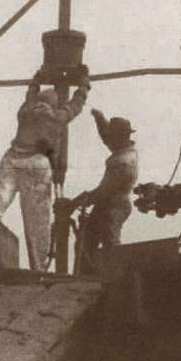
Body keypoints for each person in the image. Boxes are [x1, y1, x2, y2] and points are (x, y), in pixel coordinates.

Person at [0, 69, 91, 271]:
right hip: (36, 163)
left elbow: (30, 94)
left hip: (12, 157)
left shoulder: (25, 111)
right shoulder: (56, 116)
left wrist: (36, 80)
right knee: (37, 221)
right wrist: (83, 87)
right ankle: (39, 266)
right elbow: (74, 107)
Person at [69, 108, 139, 274]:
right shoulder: (123, 148)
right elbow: (105, 136)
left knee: (110, 243)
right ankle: (85, 278)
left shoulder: (123, 162)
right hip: (107, 203)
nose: (108, 140)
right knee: (85, 242)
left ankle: (116, 279)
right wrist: (99, 118)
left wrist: (77, 202)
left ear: (120, 137)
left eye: (112, 136)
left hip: (115, 206)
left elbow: (103, 192)